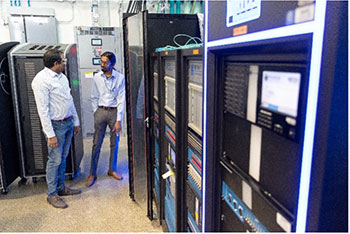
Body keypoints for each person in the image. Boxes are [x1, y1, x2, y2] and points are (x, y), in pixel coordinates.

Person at [31, 49, 81, 209]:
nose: (65, 62)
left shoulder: (62, 77)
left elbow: (69, 99)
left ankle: (61, 188)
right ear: (55, 63)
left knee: (63, 157)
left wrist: (76, 121)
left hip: (67, 123)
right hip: (55, 126)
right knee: (54, 160)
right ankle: (52, 194)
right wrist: (50, 135)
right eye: (62, 60)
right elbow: (42, 110)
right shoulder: (41, 81)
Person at [85, 51, 125, 187]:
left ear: (112, 64)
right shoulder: (97, 77)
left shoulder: (120, 78)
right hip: (101, 111)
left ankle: (112, 170)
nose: (102, 64)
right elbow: (94, 95)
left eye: (105, 62)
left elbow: (121, 100)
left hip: (114, 112)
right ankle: (92, 173)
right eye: (101, 62)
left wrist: (119, 119)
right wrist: (96, 112)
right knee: (96, 143)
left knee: (115, 143)